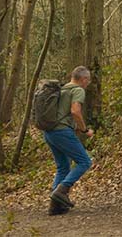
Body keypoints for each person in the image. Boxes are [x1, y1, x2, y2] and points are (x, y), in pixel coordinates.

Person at [45, 66, 94, 216]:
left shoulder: (62, 89)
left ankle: (55, 206)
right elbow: (75, 111)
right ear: (83, 79)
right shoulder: (78, 90)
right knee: (85, 161)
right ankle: (62, 190)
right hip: (62, 132)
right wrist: (85, 130)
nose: (88, 83)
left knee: (63, 167)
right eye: (88, 80)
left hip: (49, 132)